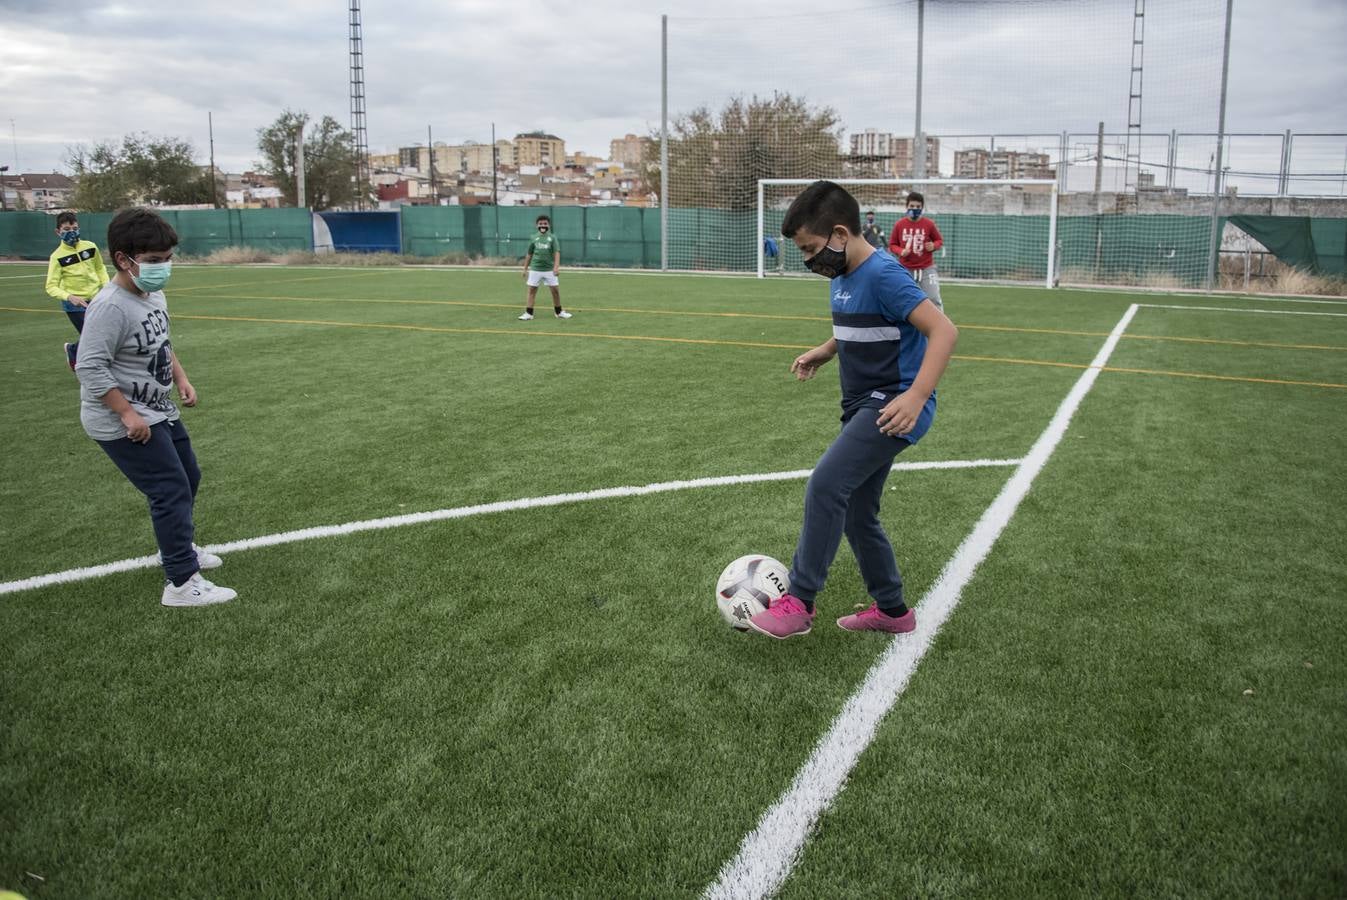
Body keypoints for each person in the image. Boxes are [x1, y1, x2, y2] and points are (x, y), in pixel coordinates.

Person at [747, 180, 957, 639]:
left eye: (810, 248)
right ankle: (893, 610)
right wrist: (827, 349)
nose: (808, 260)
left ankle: (799, 601)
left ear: (840, 235)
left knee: (826, 484)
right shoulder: (843, 275)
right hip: (862, 404)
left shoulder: (883, 273)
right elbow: (864, 326)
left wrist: (917, 395)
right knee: (859, 514)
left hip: (894, 404)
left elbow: (943, 331)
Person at [74, 208, 236, 607]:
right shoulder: (111, 306)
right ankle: (181, 582)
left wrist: (180, 378)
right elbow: (89, 366)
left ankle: (177, 548)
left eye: (166, 259)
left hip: (157, 408)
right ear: (123, 260)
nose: (163, 267)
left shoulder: (152, 294)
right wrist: (126, 413)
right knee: (169, 488)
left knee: (188, 477)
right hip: (123, 418)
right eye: (152, 261)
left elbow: (162, 343)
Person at [45, 211, 110, 370]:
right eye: (66, 229)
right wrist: (69, 297)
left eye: (74, 228)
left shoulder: (90, 246)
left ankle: (73, 350)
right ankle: (93, 365)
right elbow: (50, 286)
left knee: (100, 333)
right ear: (58, 232)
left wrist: (106, 287)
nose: (71, 232)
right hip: (75, 304)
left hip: (96, 298)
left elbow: (100, 268)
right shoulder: (57, 256)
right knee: (92, 334)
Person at [888, 191, 944, 310]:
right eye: (912, 206)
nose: (915, 209)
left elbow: (939, 240)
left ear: (922, 208)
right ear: (906, 207)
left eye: (918, 207)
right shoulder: (899, 225)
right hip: (905, 269)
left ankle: (939, 326)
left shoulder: (929, 224)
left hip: (926, 268)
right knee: (902, 299)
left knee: (933, 298)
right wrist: (901, 251)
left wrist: (933, 245)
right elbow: (892, 245)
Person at [518, 214, 572, 320]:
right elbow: (529, 254)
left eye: (545, 223)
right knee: (532, 290)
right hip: (535, 269)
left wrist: (556, 267)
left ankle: (559, 312)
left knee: (555, 291)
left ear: (549, 225)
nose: (543, 225)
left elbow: (557, 252)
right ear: (536, 225)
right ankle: (529, 313)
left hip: (549, 270)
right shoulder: (533, 238)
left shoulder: (552, 238)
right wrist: (525, 269)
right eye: (540, 224)